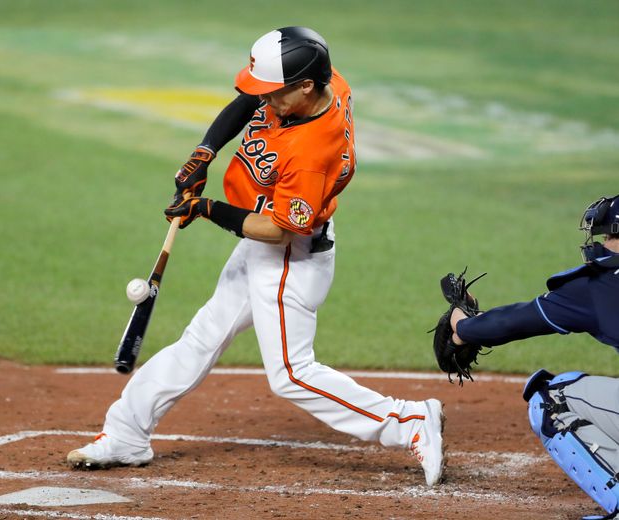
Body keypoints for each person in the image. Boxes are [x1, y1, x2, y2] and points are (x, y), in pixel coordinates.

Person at [67, 26, 445, 487]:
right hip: (264, 242)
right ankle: (127, 433)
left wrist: (206, 209)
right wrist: (205, 152)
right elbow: (248, 99)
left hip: (286, 255)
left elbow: (280, 227)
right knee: (201, 338)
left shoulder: (310, 150)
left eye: (274, 93)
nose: (266, 100)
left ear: (305, 86)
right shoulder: (321, 81)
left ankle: (409, 421)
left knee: (290, 373)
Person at [449, 195, 619, 520]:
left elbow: (513, 322)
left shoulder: (596, 287)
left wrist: (462, 326)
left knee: (554, 398)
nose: (605, 244)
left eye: (610, 236)